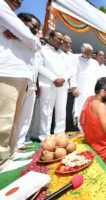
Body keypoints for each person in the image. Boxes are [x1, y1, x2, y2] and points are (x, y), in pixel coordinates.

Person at [0, 0, 42, 162]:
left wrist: (23, 34)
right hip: (6, 73)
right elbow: (30, 39)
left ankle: (9, 154)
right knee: (4, 121)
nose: (19, 1)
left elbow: (36, 44)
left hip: (21, 77)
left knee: (14, 121)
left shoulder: (17, 26)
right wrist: (23, 34)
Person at [16, 13, 58, 147]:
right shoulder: (13, 37)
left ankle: (20, 142)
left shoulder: (35, 45)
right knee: (14, 115)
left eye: (38, 29)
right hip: (17, 80)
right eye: (34, 27)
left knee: (26, 116)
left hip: (32, 84)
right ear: (21, 22)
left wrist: (36, 84)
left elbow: (35, 66)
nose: (37, 31)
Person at [39, 30, 71, 138]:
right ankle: (45, 136)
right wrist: (54, 78)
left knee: (61, 110)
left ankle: (60, 133)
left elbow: (69, 70)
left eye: (62, 39)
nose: (61, 41)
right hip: (48, 84)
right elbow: (39, 66)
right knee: (46, 111)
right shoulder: (42, 50)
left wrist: (63, 78)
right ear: (51, 38)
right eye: (59, 39)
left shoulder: (63, 54)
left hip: (62, 85)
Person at [80, 77, 106, 165]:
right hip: (101, 147)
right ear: (102, 92)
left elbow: (82, 120)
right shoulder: (101, 106)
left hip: (90, 143)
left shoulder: (89, 99)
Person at [70, 43, 100, 127]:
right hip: (81, 88)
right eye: (87, 52)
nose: (89, 54)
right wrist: (74, 87)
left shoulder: (94, 62)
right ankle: (80, 127)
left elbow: (97, 76)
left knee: (91, 108)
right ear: (82, 51)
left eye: (90, 52)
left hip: (92, 89)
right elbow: (73, 74)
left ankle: (90, 126)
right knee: (81, 108)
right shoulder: (76, 59)